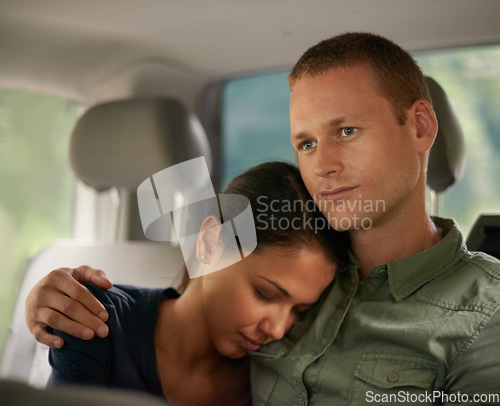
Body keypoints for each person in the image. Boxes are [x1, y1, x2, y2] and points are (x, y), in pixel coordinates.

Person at [26, 32, 500, 404]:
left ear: (420, 126)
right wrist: (59, 297)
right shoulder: (303, 264)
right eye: (306, 144)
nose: (324, 165)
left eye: (347, 131)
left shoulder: (484, 313)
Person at [33, 161, 349, 405]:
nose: (278, 329)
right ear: (211, 242)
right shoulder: (94, 317)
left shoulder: (282, 378)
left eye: (300, 310)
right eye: (264, 294)